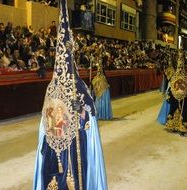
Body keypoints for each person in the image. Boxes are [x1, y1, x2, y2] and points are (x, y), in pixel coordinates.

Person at [33, 0, 107, 189]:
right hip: (53, 146)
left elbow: (91, 115)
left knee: (72, 179)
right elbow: (44, 118)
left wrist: (81, 111)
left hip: (74, 144)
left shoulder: (79, 86)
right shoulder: (51, 87)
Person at [92, 47, 113, 120]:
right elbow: (101, 71)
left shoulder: (100, 63)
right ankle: (103, 113)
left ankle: (100, 113)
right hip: (102, 81)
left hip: (101, 80)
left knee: (100, 97)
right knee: (101, 97)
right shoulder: (101, 63)